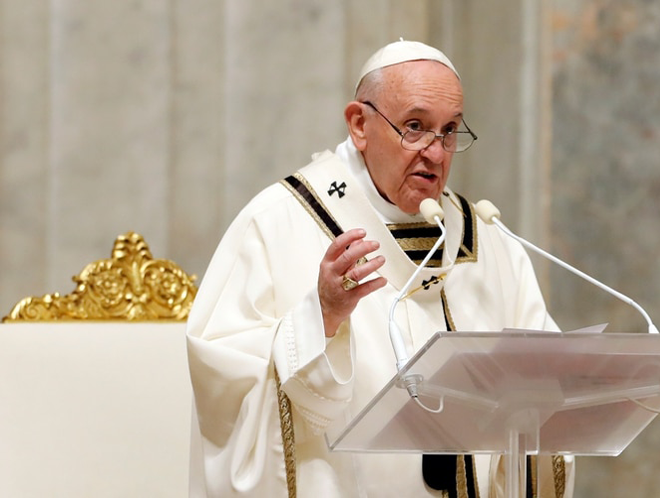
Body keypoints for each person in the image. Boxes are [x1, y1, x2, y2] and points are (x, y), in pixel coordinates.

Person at [186, 40, 575, 497]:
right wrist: (321, 318)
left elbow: (548, 380)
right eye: (415, 127)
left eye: (449, 131)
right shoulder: (277, 223)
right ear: (359, 124)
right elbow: (224, 383)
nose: (436, 152)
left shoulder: (486, 239)